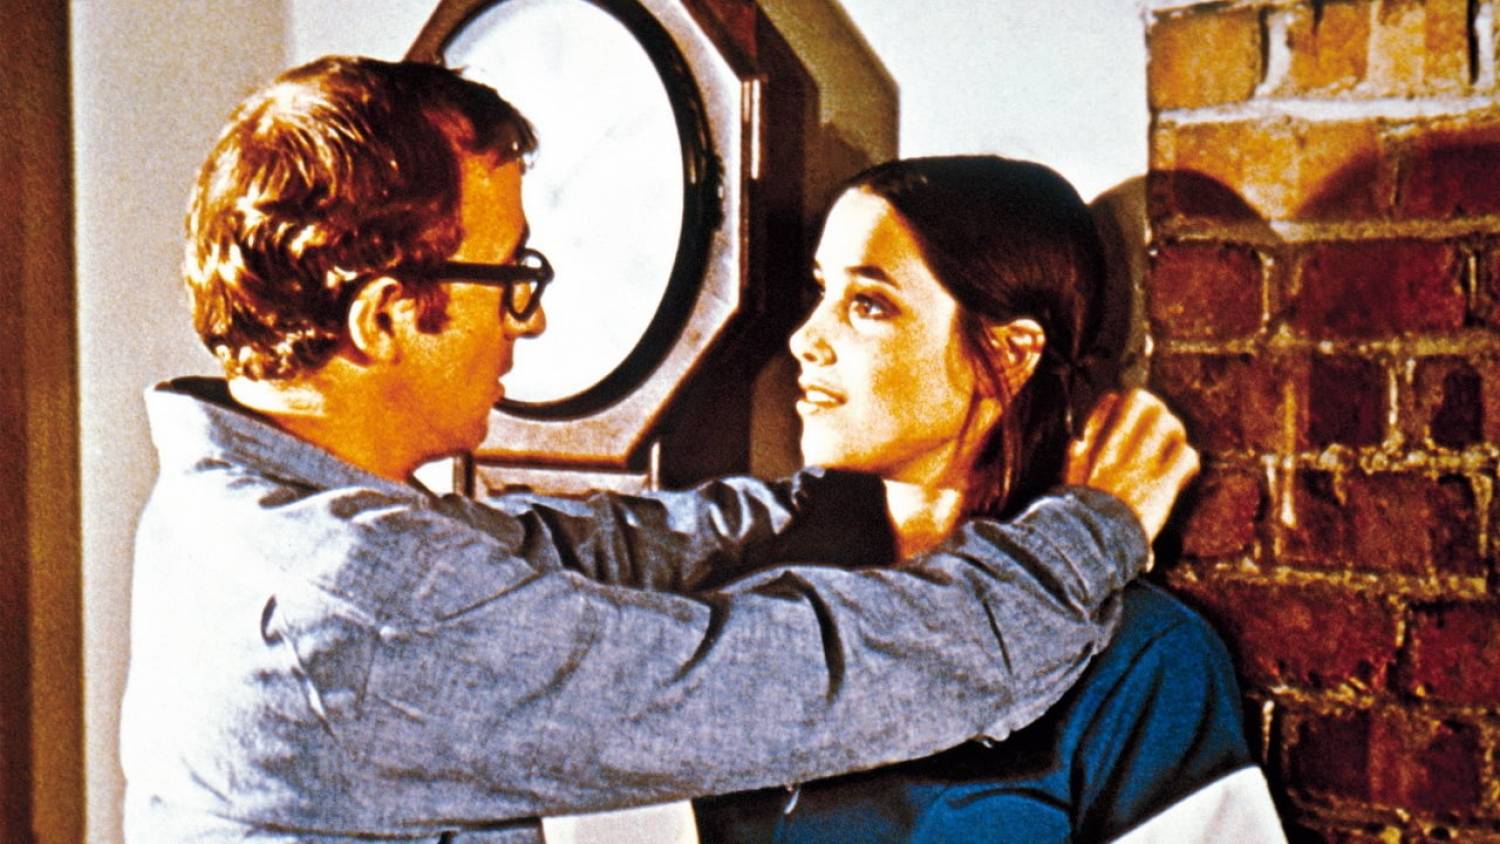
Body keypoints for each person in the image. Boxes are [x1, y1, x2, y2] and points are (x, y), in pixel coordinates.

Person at [120, 57, 1198, 842]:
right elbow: (791, 684)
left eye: (867, 303)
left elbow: (556, 547)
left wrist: (818, 507)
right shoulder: (365, 603)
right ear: (389, 315)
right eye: (513, 280)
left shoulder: (239, 508)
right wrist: (1088, 533)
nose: (531, 322)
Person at [695, 156, 1284, 842]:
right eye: (823, 291)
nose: (806, 340)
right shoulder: (758, 608)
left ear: (1008, 353)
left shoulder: (1144, 659)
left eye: (868, 304)